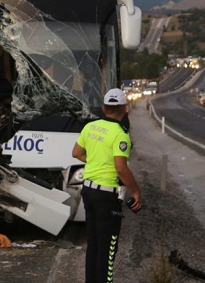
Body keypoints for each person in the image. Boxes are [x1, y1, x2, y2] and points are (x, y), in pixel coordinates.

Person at [72, 88, 142, 283]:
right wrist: (136, 190)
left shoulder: (90, 127)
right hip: (107, 198)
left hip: (88, 191)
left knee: (93, 243)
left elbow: (76, 152)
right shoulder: (121, 135)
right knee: (108, 248)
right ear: (125, 109)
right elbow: (121, 168)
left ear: (103, 108)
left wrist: (95, 161)